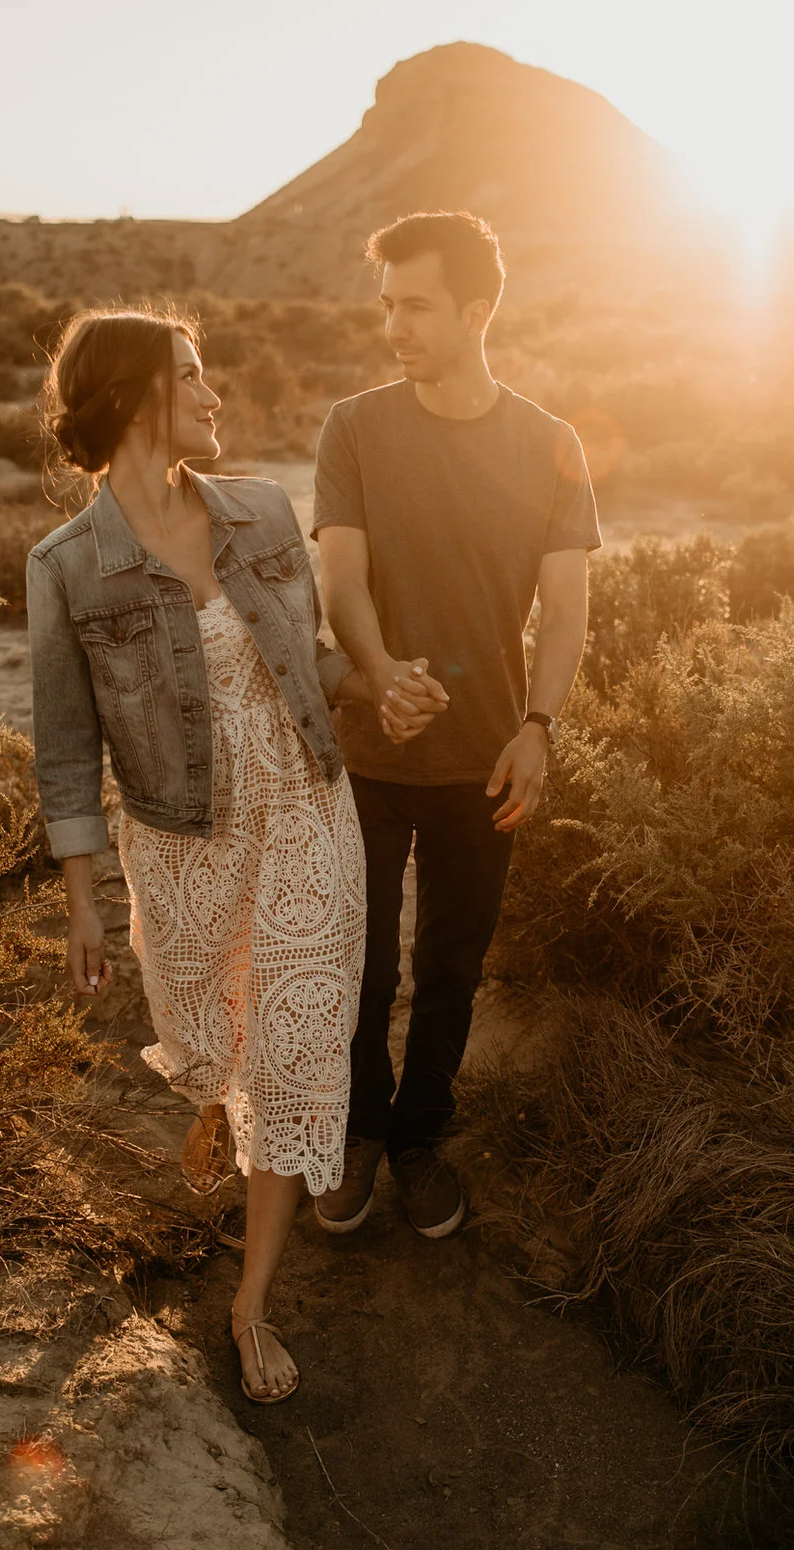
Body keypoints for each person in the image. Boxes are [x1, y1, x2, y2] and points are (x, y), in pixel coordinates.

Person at [25, 308, 444, 1403]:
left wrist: (376, 683)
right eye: (192, 376)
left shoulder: (260, 509)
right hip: (182, 836)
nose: (214, 396)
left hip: (304, 808)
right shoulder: (66, 566)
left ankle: (251, 1303)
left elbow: (308, 656)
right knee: (212, 1038)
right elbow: (66, 747)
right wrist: (83, 898)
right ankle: (220, 1097)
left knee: (297, 1050)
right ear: (133, 398)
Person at [310, 212, 599, 1239]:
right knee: (361, 966)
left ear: (478, 311)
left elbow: (565, 608)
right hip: (369, 756)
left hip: (486, 761)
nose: (395, 326)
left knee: (450, 971)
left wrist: (539, 725)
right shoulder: (354, 427)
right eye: (388, 305)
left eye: (418, 307)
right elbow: (340, 577)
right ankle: (356, 1129)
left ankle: (419, 1142)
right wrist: (382, 674)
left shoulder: (550, 443)